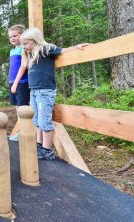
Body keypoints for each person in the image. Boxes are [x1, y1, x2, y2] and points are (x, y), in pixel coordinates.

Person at [19, 27, 88, 160]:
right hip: (34, 91)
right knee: (36, 120)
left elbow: (63, 50)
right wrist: (25, 50)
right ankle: (39, 145)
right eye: (23, 44)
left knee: (44, 121)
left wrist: (76, 47)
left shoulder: (45, 48)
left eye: (26, 43)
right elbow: (24, 64)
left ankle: (47, 150)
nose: (24, 46)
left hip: (45, 91)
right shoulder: (31, 54)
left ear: (35, 40)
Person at [7, 24, 30, 142]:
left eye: (15, 35)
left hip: (21, 82)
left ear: (22, 35)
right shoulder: (12, 50)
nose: (12, 38)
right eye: (10, 37)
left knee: (22, 108)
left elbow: (23, 66)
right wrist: (11, 82)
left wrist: (15, 83)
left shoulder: (23, 48)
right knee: (17, 108)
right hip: (13, 81)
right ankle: (21, 130)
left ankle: (24, 132)